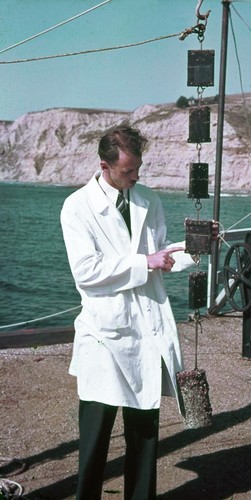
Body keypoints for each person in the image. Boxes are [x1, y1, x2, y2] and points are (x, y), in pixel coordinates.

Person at [60, 125, 198, 500]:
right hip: (104, 333)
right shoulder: (77, 207)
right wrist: (145, 262)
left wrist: (194, 248)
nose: (135, 177)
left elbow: (159, 254)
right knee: (95, 433)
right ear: (104, 165)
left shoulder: (148, 199)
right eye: (128, 171)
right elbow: (86, 272)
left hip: (145, 329)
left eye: (139, 169)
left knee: (144, 428)